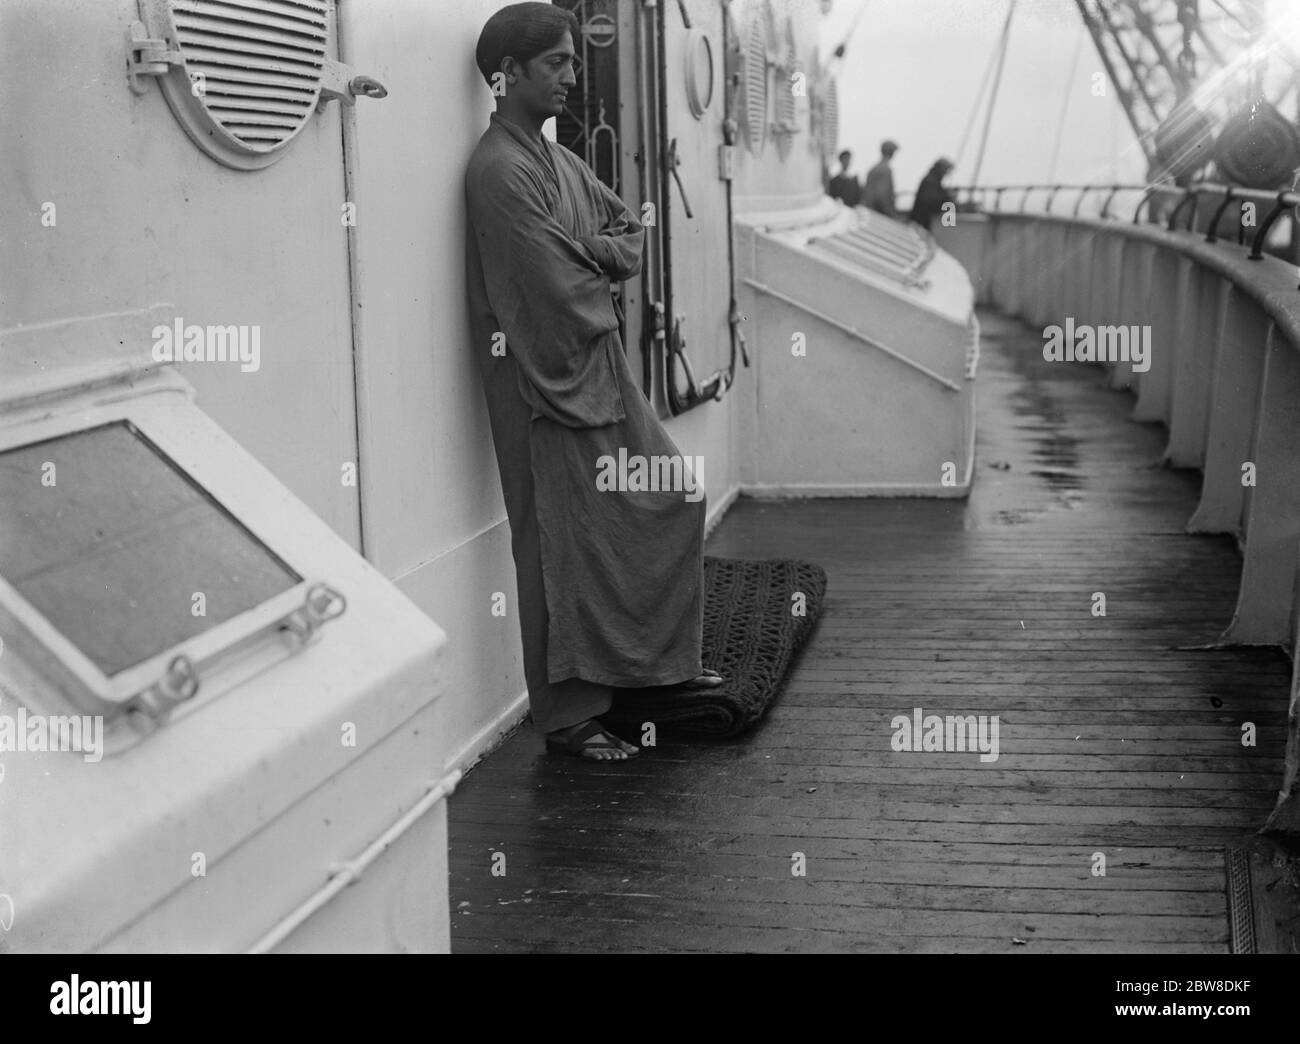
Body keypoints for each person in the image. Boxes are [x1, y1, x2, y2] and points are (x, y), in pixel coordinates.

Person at [464, 3, 721, 761]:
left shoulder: (558, 159)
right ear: (507, 76)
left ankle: (647, 672)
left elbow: (628, 235)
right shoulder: (499, 170)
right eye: (559, 65)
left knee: (668, 496)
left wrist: (594, 256)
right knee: (556, 541)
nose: (574, 78)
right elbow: (550, 282)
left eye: (575, 62)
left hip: (597, 368)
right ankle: (568, 716)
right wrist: (596, 260)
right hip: (543, 384)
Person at [909, 158, 956, 231]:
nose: (946, 173)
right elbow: (930, 201)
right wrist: (947, 197)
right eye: (946, 170)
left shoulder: (932, 180)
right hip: (920, 222)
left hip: (922, 221)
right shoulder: (931, 181)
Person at [863, 140, 900, 218]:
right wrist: (891, 214)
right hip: (879, 215)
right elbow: (881, 197)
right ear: (891, 153)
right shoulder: (885, 170)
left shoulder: (873, 169)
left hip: (870, 212)